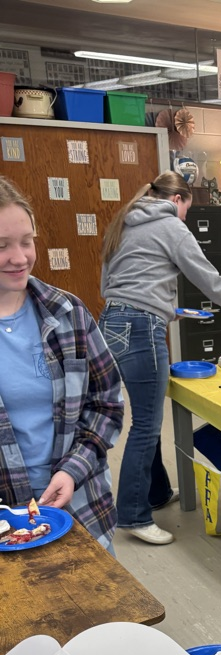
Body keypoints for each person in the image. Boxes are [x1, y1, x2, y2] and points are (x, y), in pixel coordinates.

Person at [100, 171, 221, 546]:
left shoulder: (124, 222)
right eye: (186, 212)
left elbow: (114, 286)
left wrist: (168, 309)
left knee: (146, 416)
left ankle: (156, 493)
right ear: (177, 200)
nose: (185, 220)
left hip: (113, 321)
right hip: (142, 327)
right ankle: (132, 513)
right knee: (146, 424)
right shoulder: (170, 226)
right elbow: (210, 280)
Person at [0, 176, 123, 550]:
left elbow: (106, 404)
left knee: (100, 607)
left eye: (26, 241)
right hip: (5, 521)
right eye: (1, 245)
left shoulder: (68, 313)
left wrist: (74, 470)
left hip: (79, 509)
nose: (19, 258)